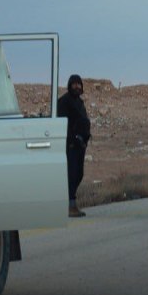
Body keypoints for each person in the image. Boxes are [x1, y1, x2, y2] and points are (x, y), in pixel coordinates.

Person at [57, 74, 91, 218]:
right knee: (71, 175)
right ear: (69, 85)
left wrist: (85, 138)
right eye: (74, 84)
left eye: (79, 84)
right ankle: (70, 205)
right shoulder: (64, 101)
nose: (77, 86)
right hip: (70, 144)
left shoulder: (79, 102)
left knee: (79, 174)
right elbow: (63, 123)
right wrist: (73, 139)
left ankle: (70, 202)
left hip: (80, 145)